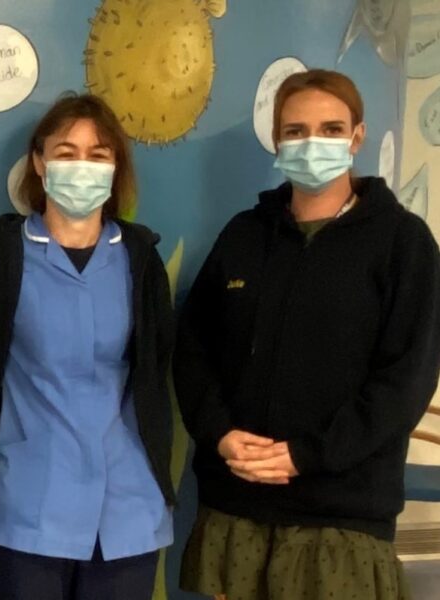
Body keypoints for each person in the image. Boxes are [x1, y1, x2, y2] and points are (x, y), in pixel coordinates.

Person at [175, 69, 440, 600]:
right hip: (236, 505)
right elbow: (193, 347)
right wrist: (220, 433)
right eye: (295, 130)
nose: (312, 142)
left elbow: (404, 383)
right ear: (277, 139)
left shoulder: (403, 244)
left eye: (330, 128)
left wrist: (308, 455)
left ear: (357, 137)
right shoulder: (244, 235)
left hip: (341, 516)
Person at [0, 93, 175, 600]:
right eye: (66, 152)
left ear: (116, 165)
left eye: (98, 155)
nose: (82, 167)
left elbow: (155, 371)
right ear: (39, 162)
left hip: (126, 513)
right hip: (25, 509)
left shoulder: (140, 261)